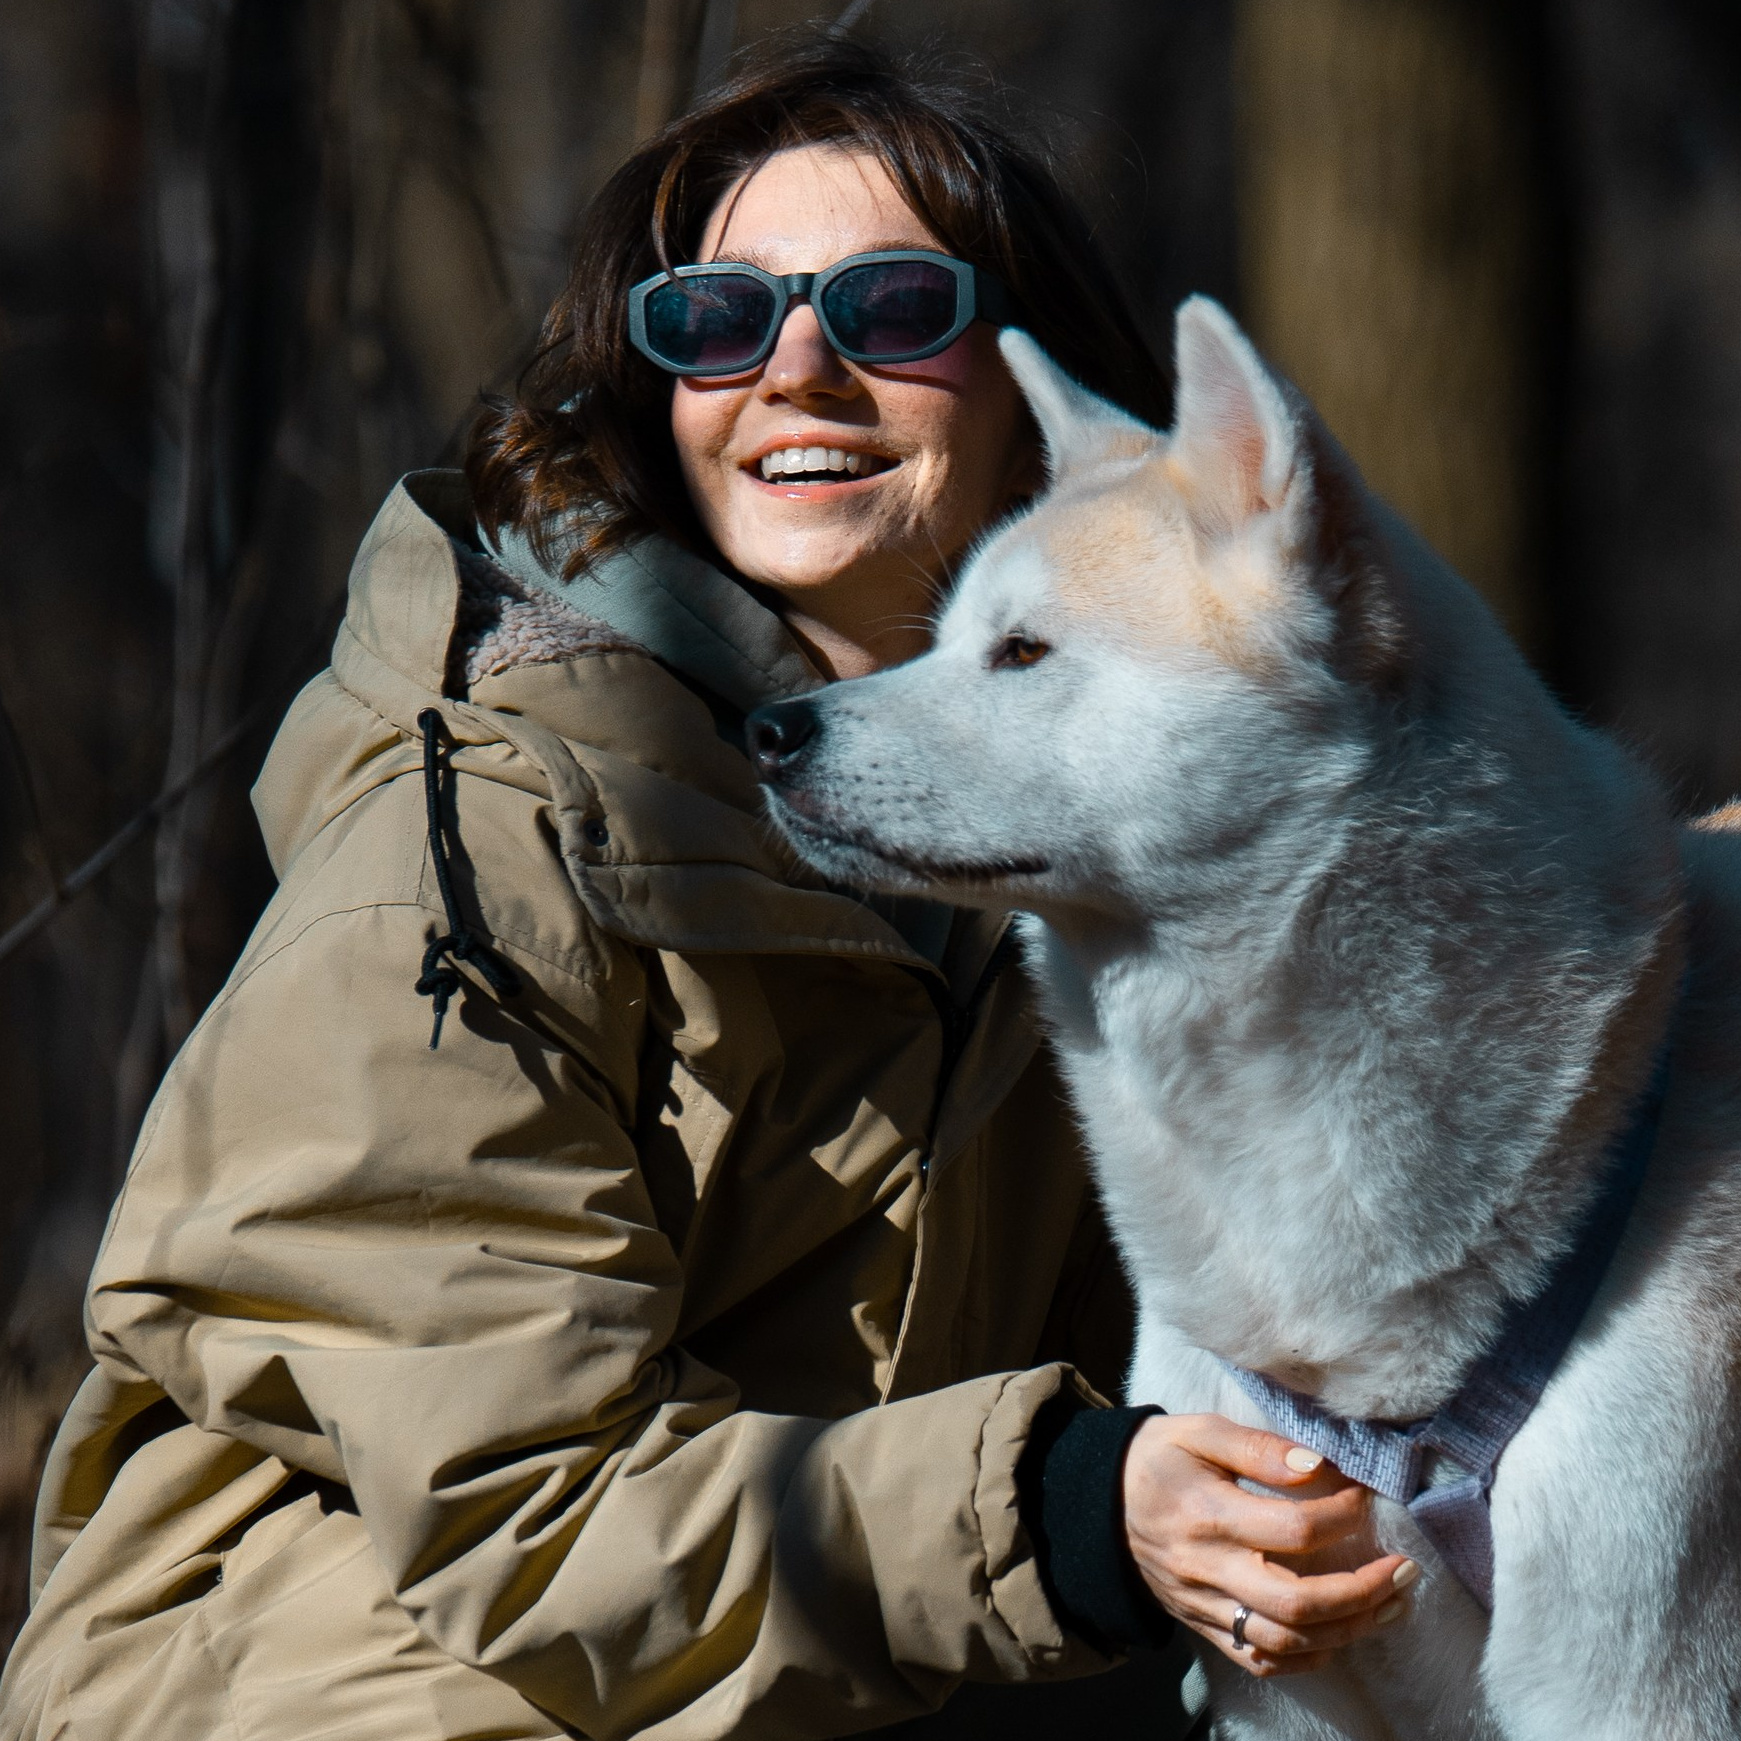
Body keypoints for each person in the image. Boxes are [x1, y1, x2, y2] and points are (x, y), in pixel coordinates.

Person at [0, 36, 1413, 1741]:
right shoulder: (484, 844)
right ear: (649, 394)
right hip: (338, 1681)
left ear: (1046, 389)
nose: (795, 369)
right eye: (714, 322)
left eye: (892, 308)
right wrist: (1066, 1507)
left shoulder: (1098, 856)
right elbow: (525, 1518)